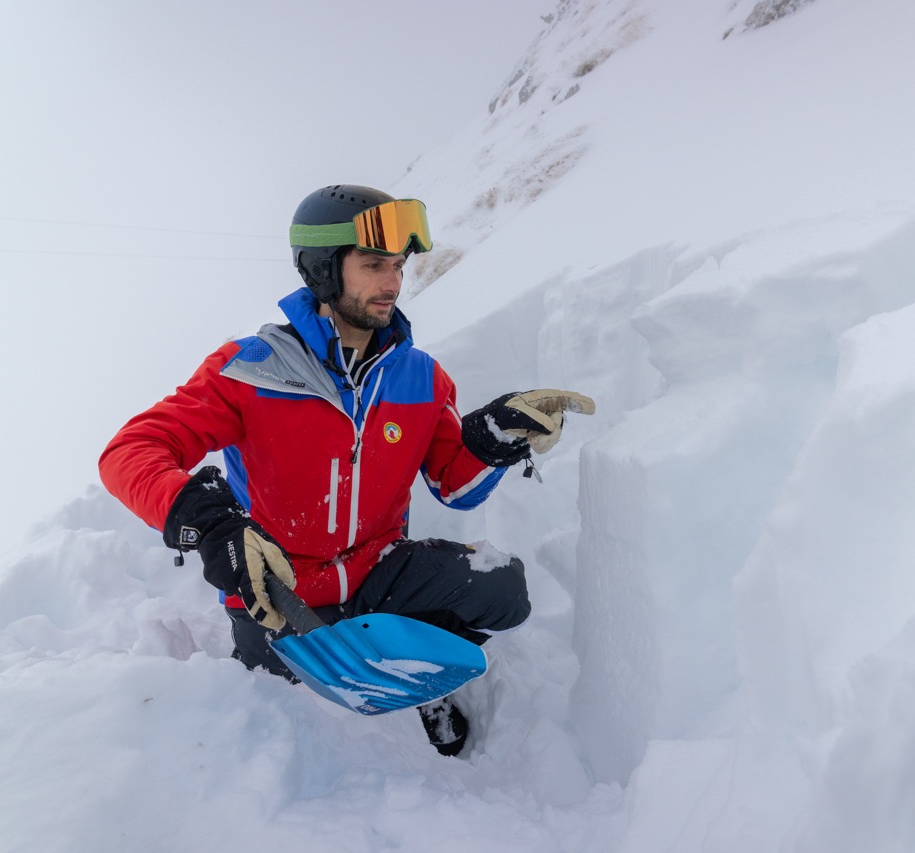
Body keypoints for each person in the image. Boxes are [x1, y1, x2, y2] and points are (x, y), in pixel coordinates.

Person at [99, 184, 593, 757]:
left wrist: (494, 438)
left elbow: (453, 487)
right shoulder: (251, 370)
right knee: (289, 721)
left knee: (503, 590)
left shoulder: (422, 378)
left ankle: (414, 677)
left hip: (378, 572)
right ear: (322, 270)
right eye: (374, 264)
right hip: (275, 592)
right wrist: (209, 523)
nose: (393, 282)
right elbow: (130, 452)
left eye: (399, 266)